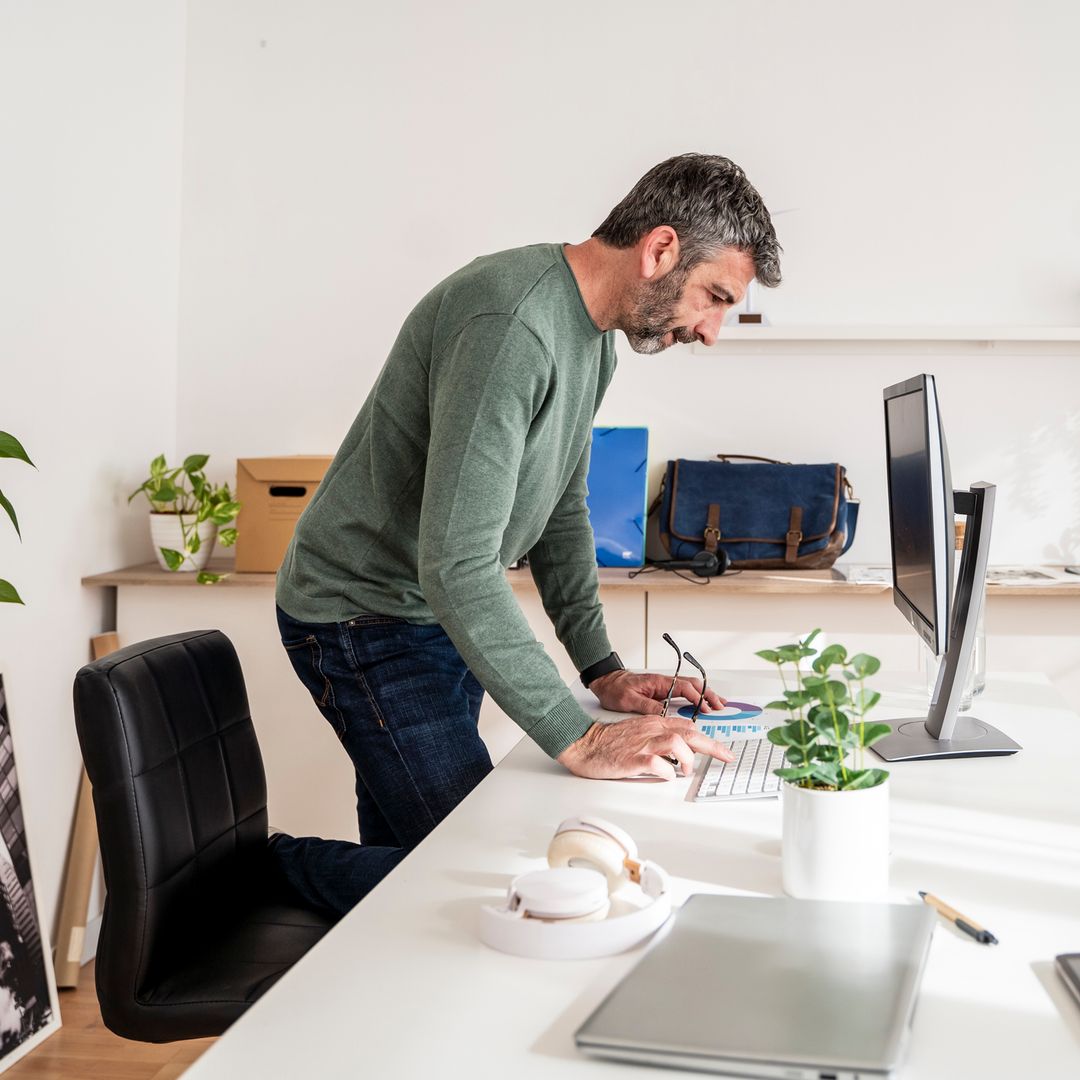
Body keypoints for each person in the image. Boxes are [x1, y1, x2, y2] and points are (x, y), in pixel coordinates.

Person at [270, 153, 782, 916]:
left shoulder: (593, 337)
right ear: (662, 249)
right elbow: (456, 565)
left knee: (421, 860)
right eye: (715, 297)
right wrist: (577, 737)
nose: (710, 330)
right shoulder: (512, 323)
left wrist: (602, 670)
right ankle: (242, 873)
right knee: (479, 871)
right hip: (363, 616)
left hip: (432, 617)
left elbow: (561, 509)